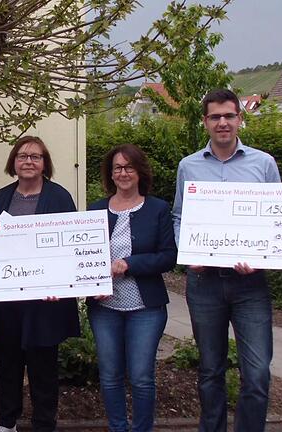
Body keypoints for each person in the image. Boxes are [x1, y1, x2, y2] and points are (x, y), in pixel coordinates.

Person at [171, 89, 281, 432]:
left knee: (258, 372)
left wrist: (264, 257)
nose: (222, 123)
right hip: (204, 284)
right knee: (210, 370)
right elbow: (178, 217)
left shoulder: (263, 164)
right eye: (215, 116)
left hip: (250, 284)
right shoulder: (188, 166)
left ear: (239, 119)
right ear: (205, 121)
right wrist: (188, 254)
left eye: (229, 116)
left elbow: (276, 218)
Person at [0, 136, 81, 432]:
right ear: (14, 163)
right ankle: (6, 421)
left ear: (45, 163)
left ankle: (44, 423)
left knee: (43, 366)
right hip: (5, 295)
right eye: (22, 156)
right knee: (7, 363)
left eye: (36, 157)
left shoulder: (59, 197)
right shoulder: (2, 196)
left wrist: (59, 286)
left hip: (44, 300)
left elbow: (69, 246)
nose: (28, 161)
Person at [87, 144, 177, 432]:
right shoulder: (96, 209)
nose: (123, 173)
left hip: (145, 308)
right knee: (110, 375)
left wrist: (130, 263)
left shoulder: (157, 209)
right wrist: (91, 283)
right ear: (110, 174)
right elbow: (83, 256)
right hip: (105, 307)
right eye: (117, 168)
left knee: (141, 376)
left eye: (129, 167)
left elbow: (168, 257)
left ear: (140, 172)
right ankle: (117, 428)